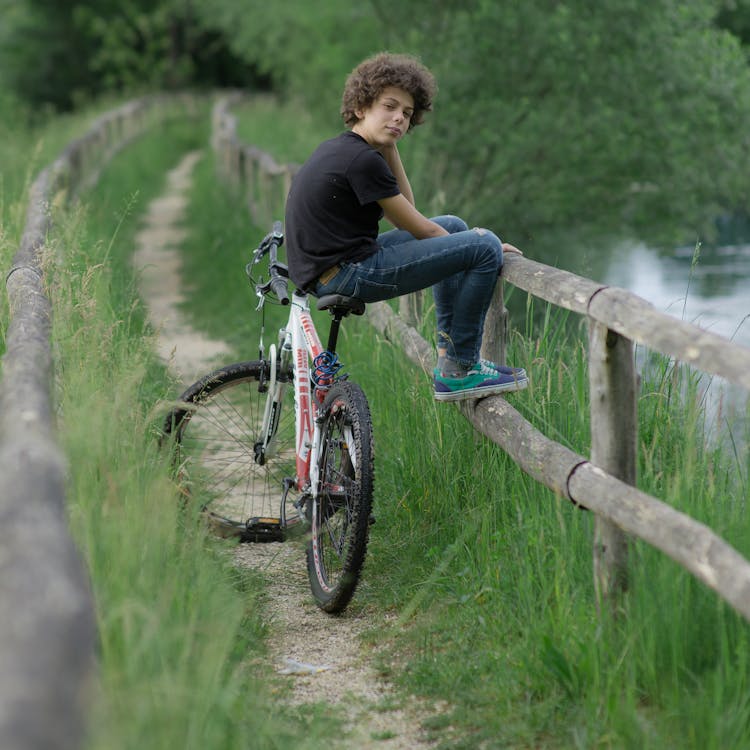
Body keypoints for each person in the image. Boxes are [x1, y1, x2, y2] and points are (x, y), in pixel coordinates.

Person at [284, 52, 528, 402]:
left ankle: (449, 356)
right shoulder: (361, 160)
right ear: (361, 106)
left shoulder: (352, 150)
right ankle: (461, 369)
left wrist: (390, 145)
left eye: (407, 114)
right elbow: (420, 229)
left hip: (336, 266)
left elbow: (412, 212)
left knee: (453, 225)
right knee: (483, 243)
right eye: (390, 106)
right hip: (344, 274)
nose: (399, 117)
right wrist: (481, 247)